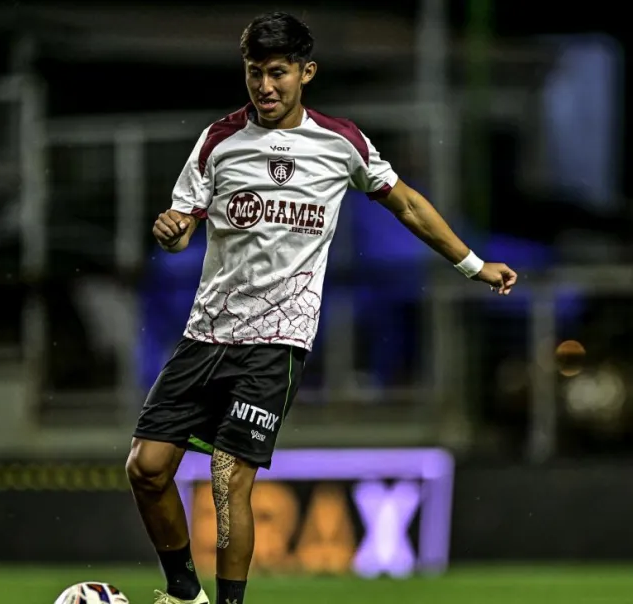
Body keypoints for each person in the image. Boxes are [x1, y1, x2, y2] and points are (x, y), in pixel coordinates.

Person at [124, 11, 518, 604]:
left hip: (277, 343)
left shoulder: (341, 143)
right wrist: (173, 230)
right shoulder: (218, 141)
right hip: (205, 334)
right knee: (146, 468)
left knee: (229, 480)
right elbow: (184, 228)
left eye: (278, 72)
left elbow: (406, 204)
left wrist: (474, 265)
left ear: (306, 72)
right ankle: (184, 592)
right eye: (254, 73)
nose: (265, 87)